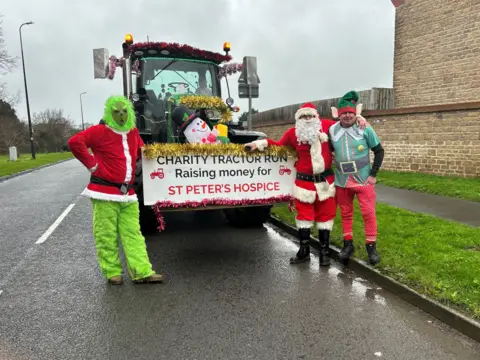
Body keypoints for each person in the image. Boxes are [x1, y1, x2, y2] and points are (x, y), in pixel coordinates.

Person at [244, 102, 366, 266]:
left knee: (325, 218)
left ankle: (324, 253)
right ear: (298, 118)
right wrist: (259, 144)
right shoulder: (293, 133)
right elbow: (279, 145)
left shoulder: (328, 126)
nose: (307, 119)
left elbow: (345, 125)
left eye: (310, 116)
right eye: (303, 116)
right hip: (304, 184)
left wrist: (358, 118)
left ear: (316, 117)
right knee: (304, 218)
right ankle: (304, 252)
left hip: (325, 184)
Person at [68, 95, 164, 285]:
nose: (121, 115)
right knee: (106, 234)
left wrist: (162, 156)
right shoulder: (99, 131)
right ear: (109, 113)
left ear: (130, 113)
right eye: (116, 112)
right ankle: (112, 271)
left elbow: (142, 153)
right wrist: (92, 164)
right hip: (104, 193)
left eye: (124, 111)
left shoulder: (133, 132)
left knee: (133, 233)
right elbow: (75, 142)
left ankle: (142, 271)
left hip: (127, 195)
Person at [329, 90, 384, 265]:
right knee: (345, 213)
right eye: (344, 112)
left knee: (368, 213)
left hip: (363, 179)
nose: (347, 116)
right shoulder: (332, 129)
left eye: (350, 113)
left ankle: (371, 247)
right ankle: (348, 245)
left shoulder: (364, 127)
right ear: (338, 114)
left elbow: (379, 150)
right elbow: (329, 147)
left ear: (355, 114)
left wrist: (373, 175)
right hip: (342, 181)